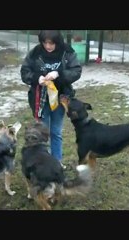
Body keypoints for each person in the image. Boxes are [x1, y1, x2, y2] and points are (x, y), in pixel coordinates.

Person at [20, 30, 82, 169]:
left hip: (60, 99)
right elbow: (25, 71)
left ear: (57, 41)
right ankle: (43, 162)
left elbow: (76, 71)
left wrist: (58, 74)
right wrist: (37, 78)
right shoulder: (35, 52)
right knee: (41, 132)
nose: (48, 46)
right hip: (39, 100)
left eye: (51, 43)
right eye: (45, 42)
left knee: (56, 132)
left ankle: (57, 162)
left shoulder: (67, 52)